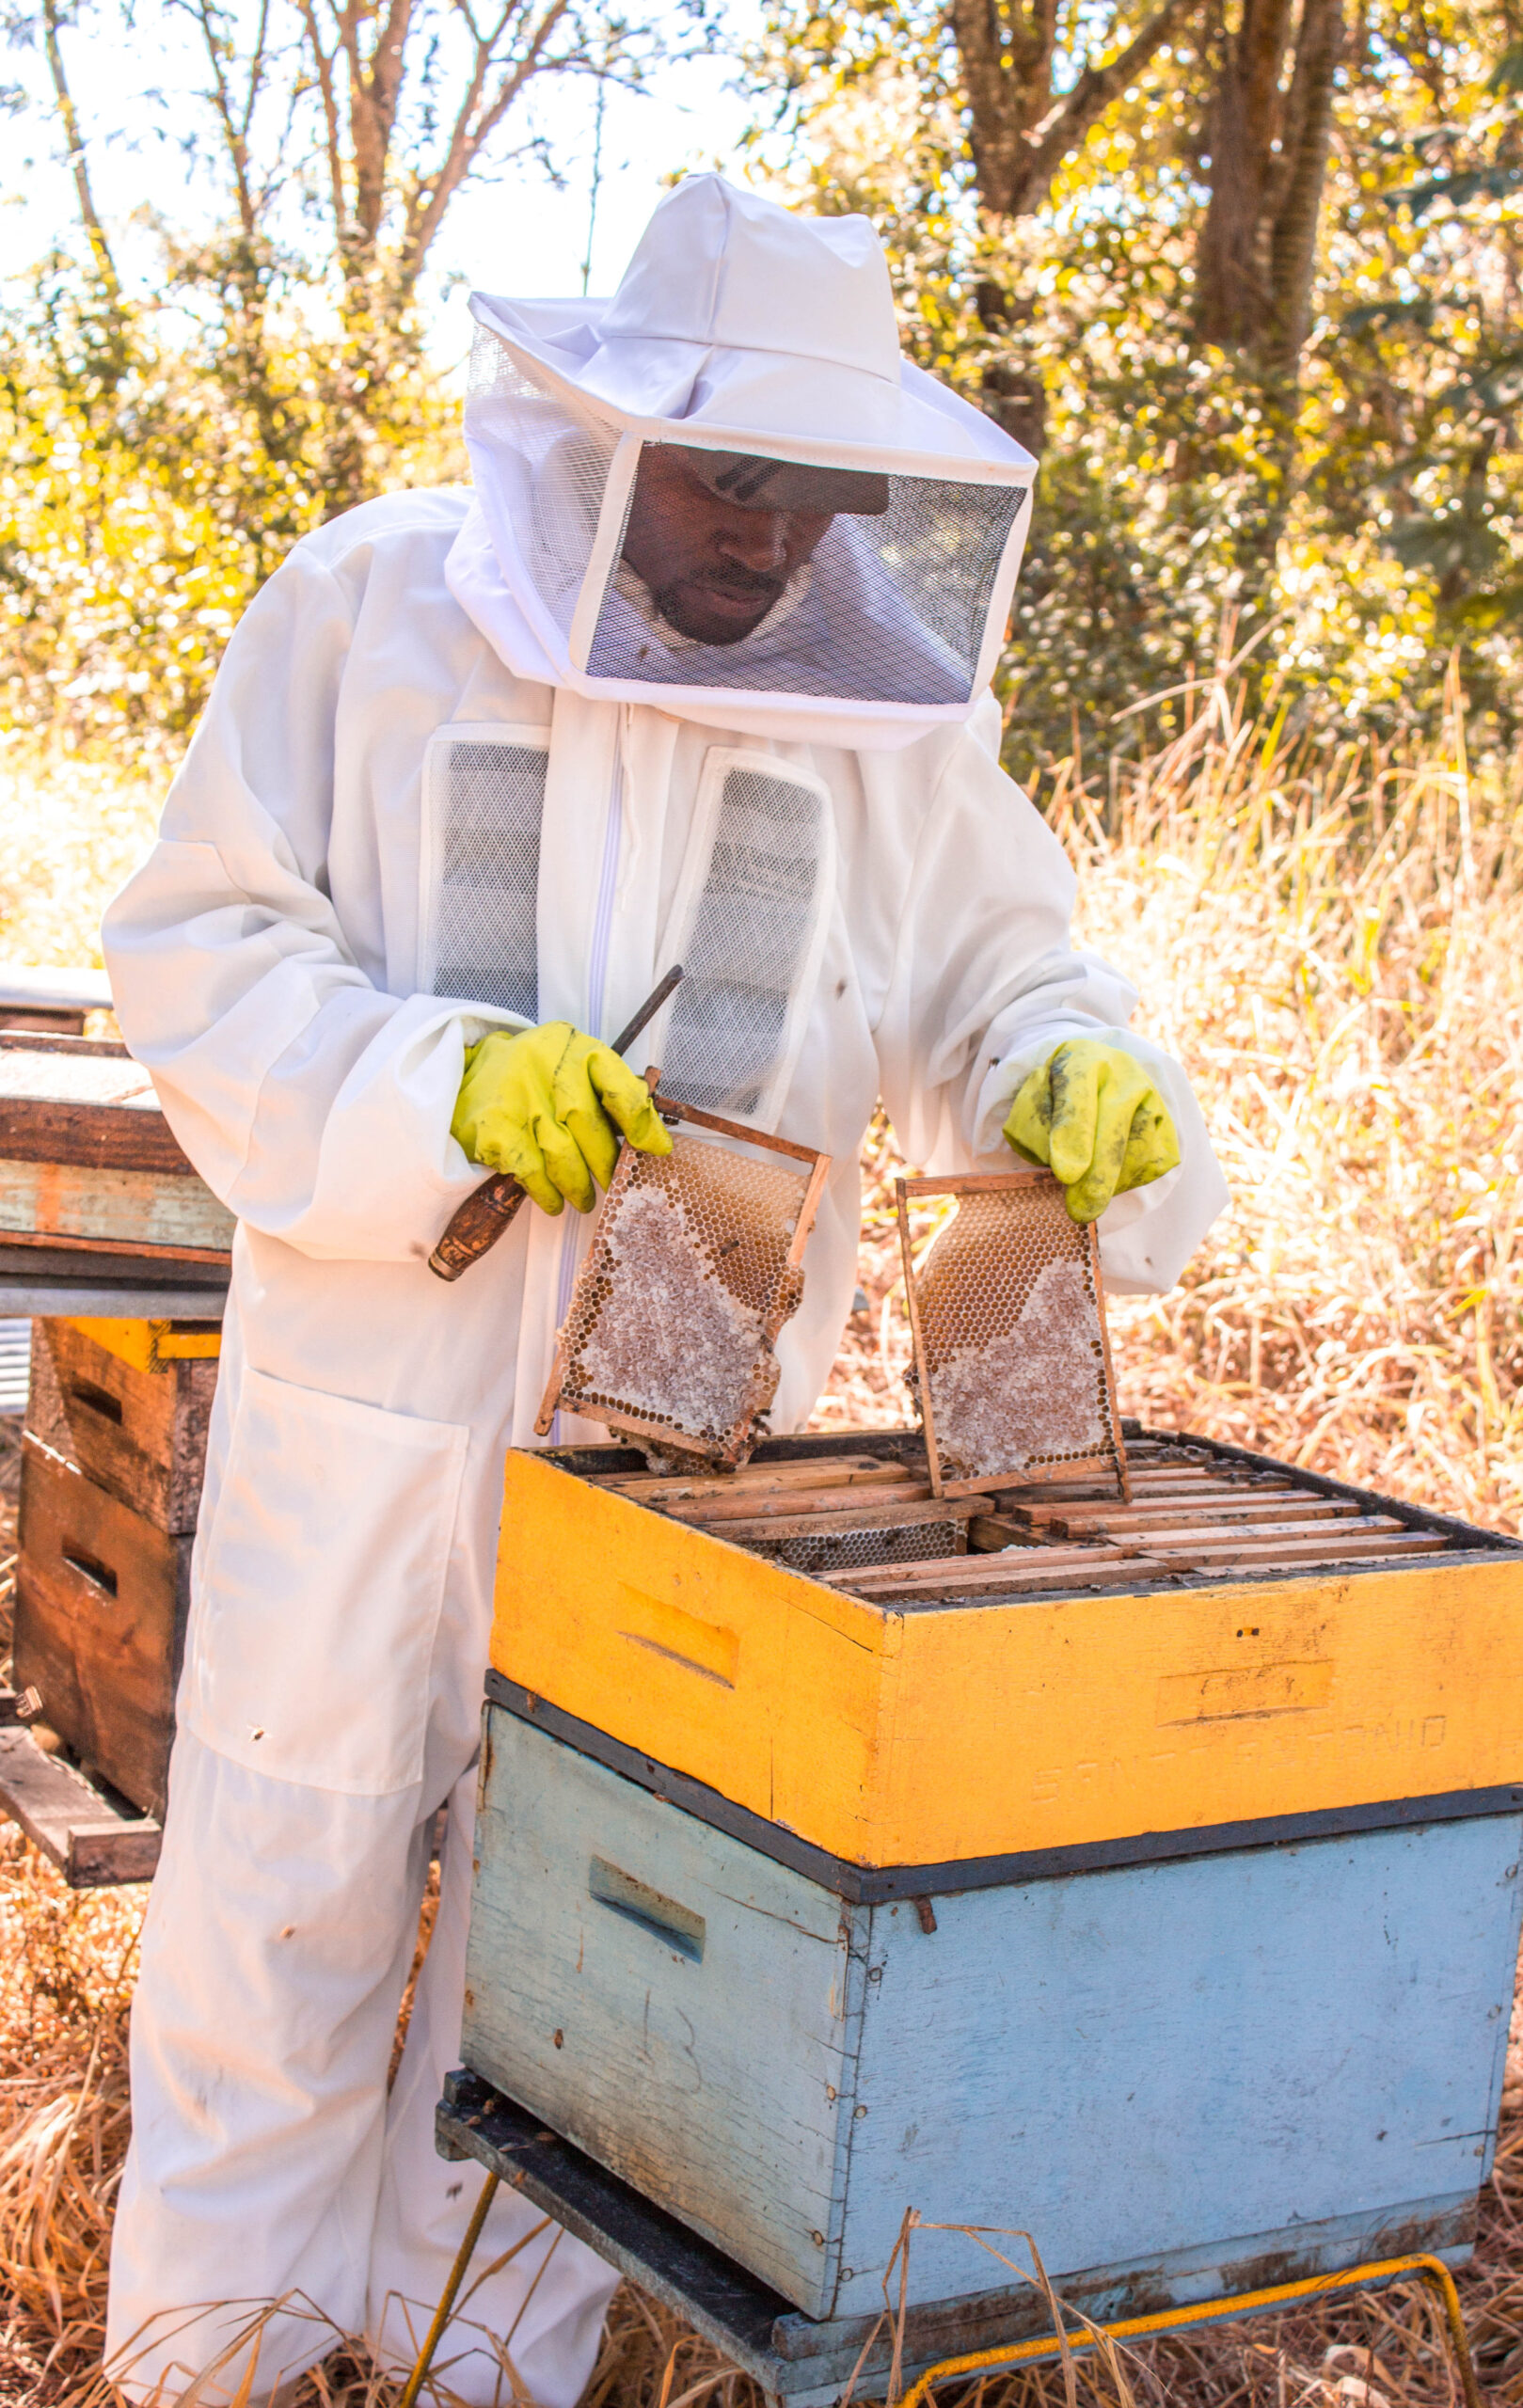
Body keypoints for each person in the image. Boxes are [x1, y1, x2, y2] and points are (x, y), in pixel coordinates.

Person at [102, 172, 1228, 2404]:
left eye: (816, 492)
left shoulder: (892, 712)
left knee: (581, 1959)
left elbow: (1002, 970)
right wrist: (434, 1078)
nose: (765, 532)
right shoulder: (373, 606)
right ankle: (207, 2362)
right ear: (604, 429)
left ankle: (475, 2373)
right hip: (377, 1420)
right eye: (729, 472)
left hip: (678, 1475)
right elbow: (202, 944)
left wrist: (1073, 1065)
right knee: (277, 1924)